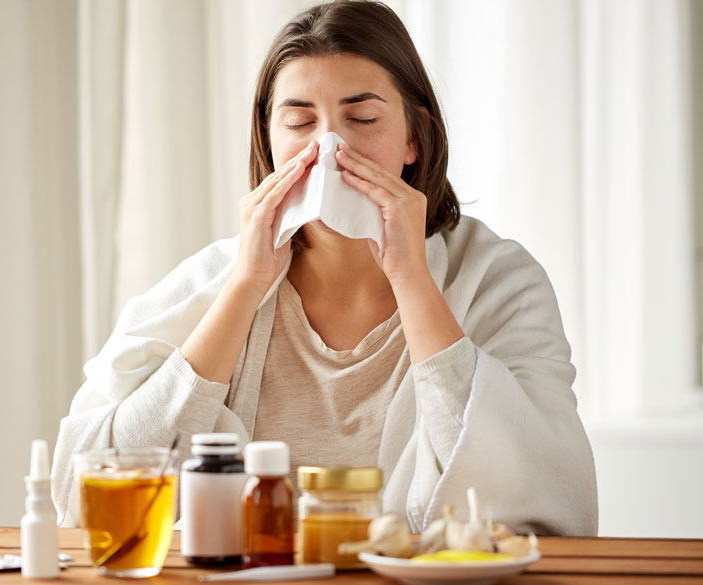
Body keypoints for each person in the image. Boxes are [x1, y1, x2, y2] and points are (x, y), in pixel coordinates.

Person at [51, 0, 597, 535]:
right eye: (299, 120)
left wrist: (413, 281)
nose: (329, 149)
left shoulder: (500, 280)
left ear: (413, 137)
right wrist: (245, 288)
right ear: (268, 138)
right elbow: (87, 494)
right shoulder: (212, 281)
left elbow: (538, 500)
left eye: (361, 118)